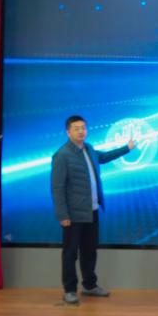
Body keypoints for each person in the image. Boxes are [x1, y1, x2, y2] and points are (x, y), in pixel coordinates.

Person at [50, 115, 135, 304]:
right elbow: (57, 188)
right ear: (68, 132)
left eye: (83, 127)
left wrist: (126, 149)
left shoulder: (88, 149)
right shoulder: (62, 155)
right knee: (71, 253)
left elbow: (103, 157)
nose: (81, 131)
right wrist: (62, 214)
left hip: (92, 210)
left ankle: (89, 285)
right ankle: (69, 290)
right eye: (76, 128)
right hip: (73, 215)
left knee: (89, 251)